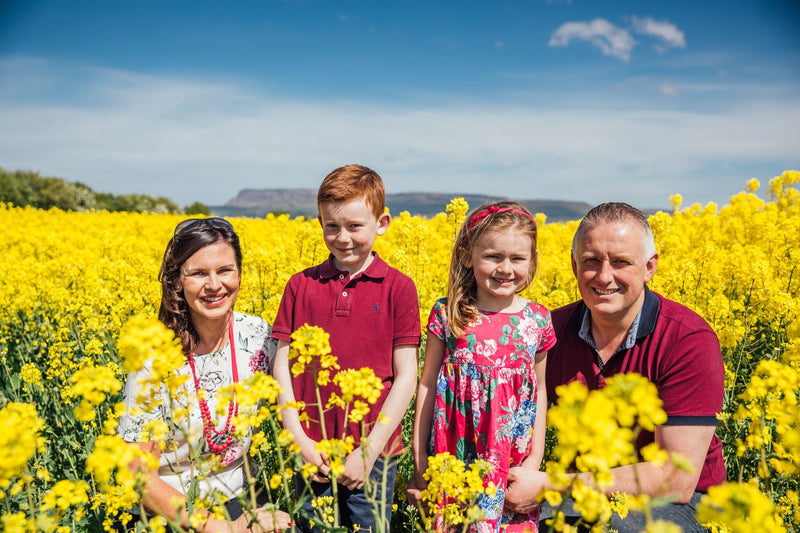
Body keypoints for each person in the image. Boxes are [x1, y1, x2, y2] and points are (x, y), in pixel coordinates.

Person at [504, 202, 726, 532]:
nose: (604, 276)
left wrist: (549, 484)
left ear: (650, 267)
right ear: (574, 264)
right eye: (592, 261)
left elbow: (676, 480)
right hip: (585, 491)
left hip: (685, 503)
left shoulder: (687, 339)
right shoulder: (550, 331)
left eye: (620, 262)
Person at [271, 164, 421, 532]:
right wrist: (299, 439)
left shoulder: (399, 287)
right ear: (320, 223)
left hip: (374, 455)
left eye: (355, 226)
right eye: (331, 226)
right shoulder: (299, 285)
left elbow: (406, 377)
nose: (342, 237)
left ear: (381, 223)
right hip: (312, 450)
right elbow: (280, 367)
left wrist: (368, 451)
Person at [118, 217, 292, 532]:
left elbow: (295, 410)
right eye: (198, 273)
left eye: (225, 270)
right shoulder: (152, 356)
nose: (214, 285)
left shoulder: (259, 336)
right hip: (170, 511)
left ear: (239, 273)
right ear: (176, 281)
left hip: (240, 496)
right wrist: (223, 529)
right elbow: (139, 479)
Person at [408, 201, 556, 532]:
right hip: (453, 449)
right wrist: (420, 459)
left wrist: (535, 459)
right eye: (493, 257)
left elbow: (540, 389)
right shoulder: (447, 313)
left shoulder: (537, 319)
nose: (506, 268)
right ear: (466, 256)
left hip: (510, 454)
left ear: (531, 263)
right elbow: (427, 384)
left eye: (517, 259)